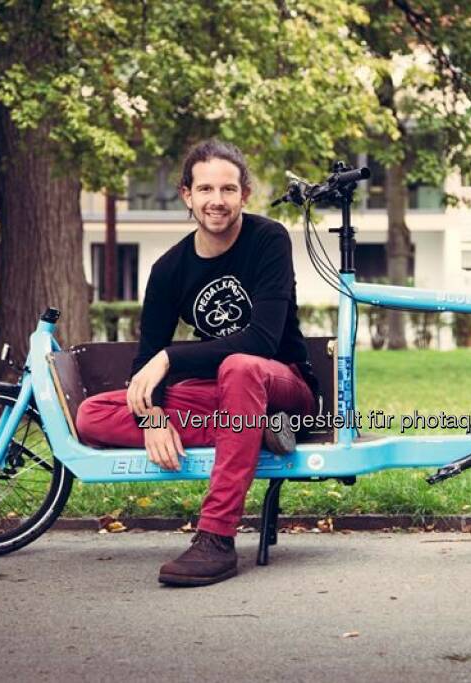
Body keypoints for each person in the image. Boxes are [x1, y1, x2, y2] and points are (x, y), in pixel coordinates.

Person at [75, 140, 319, 587]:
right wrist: (152, 418)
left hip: (285, 388)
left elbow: (263, 340)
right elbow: (145, 361)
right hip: (234, 404)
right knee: (92, 413)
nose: (217, 200)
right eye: (205, 188)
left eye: (228, 189)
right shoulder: (170, 269)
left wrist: (173, 356)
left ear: (244, 194)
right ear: (187, 194)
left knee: (241, 366)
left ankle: (216, 538)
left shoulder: (268, 240)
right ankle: (249, 431)